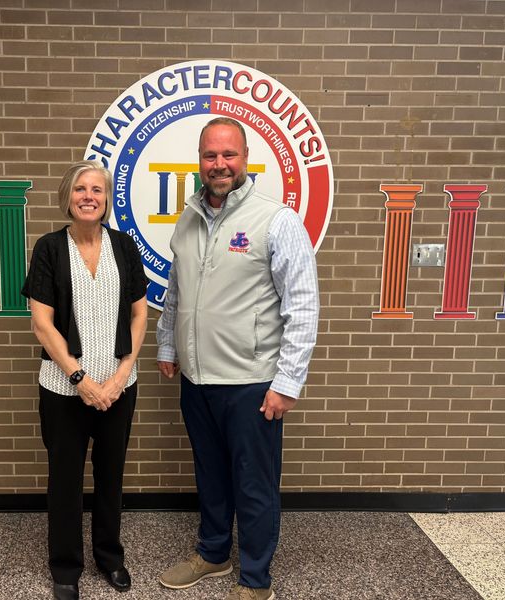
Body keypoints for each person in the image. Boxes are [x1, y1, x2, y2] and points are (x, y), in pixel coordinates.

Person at [156, 117, 319, 600]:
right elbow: (176, 290)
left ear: (245, 159)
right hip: (198, 381)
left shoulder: (277, 221)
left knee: (254, 485)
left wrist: (288, 381)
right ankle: (212, 552)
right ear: (200, 161)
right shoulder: (187, 219)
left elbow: (303, 304)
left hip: (252, 382)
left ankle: (255, 580)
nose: (219, 164)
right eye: (211, 156)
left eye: (229, 155)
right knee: (210, 474)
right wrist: (168, 344)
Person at [22, 160, 148, 600]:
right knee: (66, 478)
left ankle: (110, 558)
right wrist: (80, 379)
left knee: (111, 476)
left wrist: (121, 375)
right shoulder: (49, 248)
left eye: (97, 189)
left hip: (118, 388)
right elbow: (42, 323)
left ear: (107, 199)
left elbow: (138, 313)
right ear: (68, 197)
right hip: (63, 390)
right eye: (80, 189)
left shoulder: (125, 247)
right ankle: (65, 567)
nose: (88, 196)